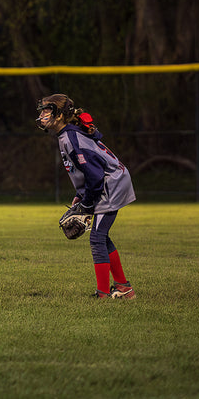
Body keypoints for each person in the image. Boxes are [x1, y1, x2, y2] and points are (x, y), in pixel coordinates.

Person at [37, 93, 135, 300]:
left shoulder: (71, 137)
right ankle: (124, 288)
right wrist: (80, 195)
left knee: (97, 238)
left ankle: (102, 294)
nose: (43, 114)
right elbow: (86, 170)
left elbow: (96, 174)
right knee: (102, 236)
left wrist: (87, 203)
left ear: (61, 115)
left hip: (110, 184)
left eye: (49, 110)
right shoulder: (67, 134)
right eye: (43, 110)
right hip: (109, 181)